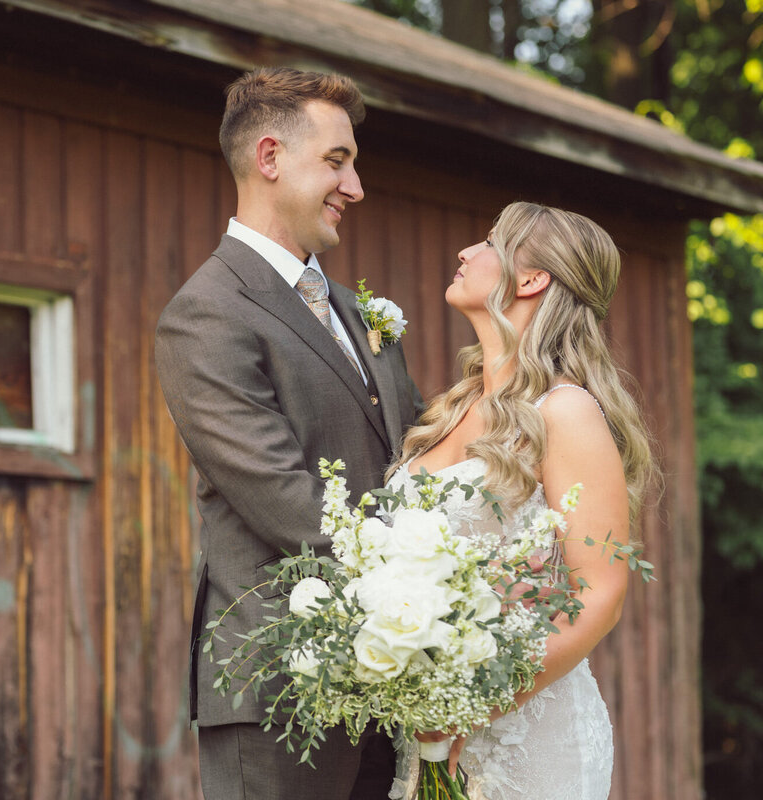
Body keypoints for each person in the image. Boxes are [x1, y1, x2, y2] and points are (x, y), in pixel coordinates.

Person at [155, 66, 423, 799]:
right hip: (280, 689)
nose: (357, 186)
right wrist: (424, 590)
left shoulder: (358, 312)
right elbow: (282, 497)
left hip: (391, 683)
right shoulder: (207, 313)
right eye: (337, 161)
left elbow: (422, 456)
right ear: (270, 158)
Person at [385, 201, 656, 800]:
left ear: (531, 280)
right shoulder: (451, 411)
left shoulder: (567, 413)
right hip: (428, 735)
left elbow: (602, 592)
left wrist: (472, 704)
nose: (465, 253)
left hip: (526, 737)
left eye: (487, 243)